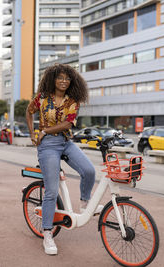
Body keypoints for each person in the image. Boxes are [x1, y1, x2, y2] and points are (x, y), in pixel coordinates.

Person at [26, 64, 101, 255]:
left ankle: (85, 201)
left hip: (66, 141)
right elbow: (29, 111)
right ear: (53, 79)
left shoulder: (72, 100)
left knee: (89, 170)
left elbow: (68, 123)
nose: (64, 81)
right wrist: (32, 134)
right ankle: (48, 234)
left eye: (67, 78)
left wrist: (44, 130)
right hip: (47, 146)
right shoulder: (42, 98)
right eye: (60, 78)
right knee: (51, 191)